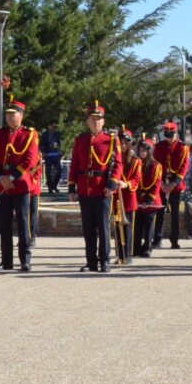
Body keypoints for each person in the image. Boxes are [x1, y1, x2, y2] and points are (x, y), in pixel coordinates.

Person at [68, 102, 123, 272]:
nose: (96, 122)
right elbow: (75, 164)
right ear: (87, 121)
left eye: (99, 119)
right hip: (85, 188)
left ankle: (104, 260)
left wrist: (111, 185)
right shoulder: (81, 140)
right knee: (88, 228)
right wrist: (71, 187)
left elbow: (118, 165)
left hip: (102, 189)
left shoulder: (111, 139)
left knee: (103, 227)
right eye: (93, 119)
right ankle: (91, 261)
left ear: (103, 121)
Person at [0, 98, 39, 272]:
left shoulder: (29, 134)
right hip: (2, 184)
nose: (9, 117)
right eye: (8, 114)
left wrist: (12, 176)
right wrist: (1, 176)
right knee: (3, 223)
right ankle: (6, 261)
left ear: (21, 115)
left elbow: (30, 159)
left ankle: (25, 260)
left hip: (20, 185)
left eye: (13, 114)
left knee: (23, 223)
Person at [153, 121, 189, 249]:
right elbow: (155, 165)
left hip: (176, 183)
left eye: (171, 135)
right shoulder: (159, 147)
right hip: (162, 183)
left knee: (175, 213)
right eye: (167, 135)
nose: (169, 138)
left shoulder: (183, 147)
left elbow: (184, 167)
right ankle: (157, 239)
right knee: (160, 211)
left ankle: (174, 240)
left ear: (176, 134)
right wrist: (161, 183)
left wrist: (174, 183)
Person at [135, 137, 165, 258]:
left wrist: (149, 198)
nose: (142, 152)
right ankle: (136, 247)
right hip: (138, 198)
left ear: (149, 151)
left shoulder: (156, 165)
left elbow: (157, 183)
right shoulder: (135, 163)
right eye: (140, 150)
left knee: (149, 225)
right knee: (137, 225)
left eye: (144, 150)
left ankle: (147, 247)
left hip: (150, 199)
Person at [114, 134, 141, 264]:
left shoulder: (136, 161)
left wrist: (126, 184)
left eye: (125, 143)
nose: (123, 146)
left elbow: (136, 179)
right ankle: (120, 255)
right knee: (117, 227)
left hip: (128, 197)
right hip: (116, 198)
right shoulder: (114, 159)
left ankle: (128, 255)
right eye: (121, 143)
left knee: (128, 229)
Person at [40, 121, 63, 194]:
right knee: (48, 172)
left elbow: (58, 144)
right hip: (48, 155)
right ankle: (50, 187)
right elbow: (41, 145)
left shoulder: (57, 134)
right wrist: (43, 152)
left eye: (56, 127)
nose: (55, 129)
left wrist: (59, 151)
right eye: (53, 127)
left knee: (59, 170)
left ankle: (54, 186)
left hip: (55, 155)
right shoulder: (45, 134)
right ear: (49, 126)